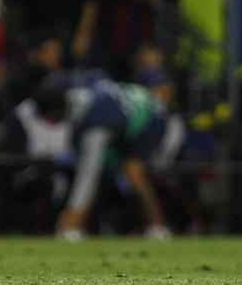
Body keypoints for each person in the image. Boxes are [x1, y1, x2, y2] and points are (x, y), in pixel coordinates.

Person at [49, 77, 174, 241]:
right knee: (104, 171)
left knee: (133, 172)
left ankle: (158, 226)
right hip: (129, 116)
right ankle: (78, 223)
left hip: (151, 118)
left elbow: (89, 172)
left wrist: (71, 219)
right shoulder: (80, 99)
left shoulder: (96, 120)